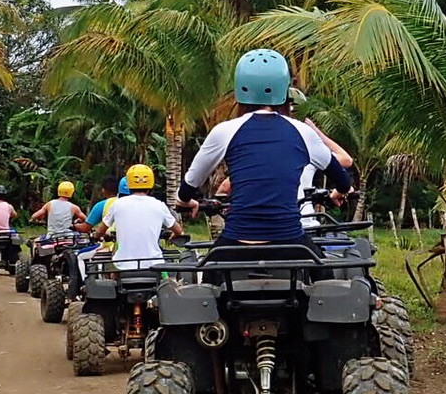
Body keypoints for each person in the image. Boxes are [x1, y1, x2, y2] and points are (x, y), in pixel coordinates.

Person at [180, 49, 353, 245]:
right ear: (284, 90)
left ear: (239, 89)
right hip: (289, 241)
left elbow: (189, 184)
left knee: (211, 273)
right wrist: (338, 192)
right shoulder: (303, 131)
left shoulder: (224, 131)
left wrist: (186, 201)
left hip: (237, 241)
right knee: (321, 272)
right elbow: (343, 180)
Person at [95, 164, 183, 268]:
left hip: (123, 266)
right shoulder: (159, 205)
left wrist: (96, 236)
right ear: (151, 184)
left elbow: (100, 231)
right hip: (154, 265)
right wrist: (174, 235)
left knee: (113, 269)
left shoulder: (117, 204)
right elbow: (178, 231)